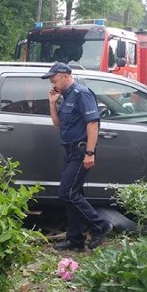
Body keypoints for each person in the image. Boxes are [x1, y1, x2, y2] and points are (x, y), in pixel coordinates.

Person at [42, 62, 113, 251]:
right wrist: (52, 102)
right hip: (70, 152)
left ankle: (100, 226)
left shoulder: (82, 94)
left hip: (81, 152)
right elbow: (57, 124)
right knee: (75, 194)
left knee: (67, 193)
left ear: (65, 75)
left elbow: (92, 124)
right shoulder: (66, 97)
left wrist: (90, 153)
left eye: (54, 80)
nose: (52, 84)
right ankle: (76, 240)